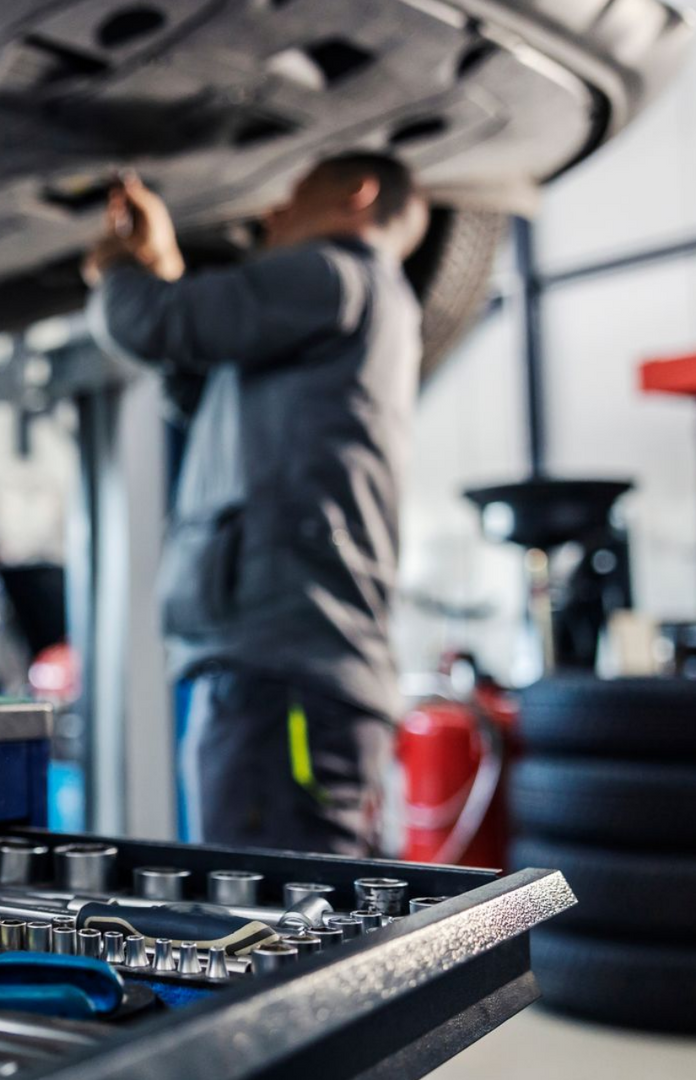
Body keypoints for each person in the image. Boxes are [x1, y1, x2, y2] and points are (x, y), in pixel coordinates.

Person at [83, 154, 430, 855]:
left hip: (286, 683)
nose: (271, 214)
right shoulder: (360, 301)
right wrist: (164, 272)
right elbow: (200, 379)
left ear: (356, 196)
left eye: (292, 193)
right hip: (296, 676)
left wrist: (120, 270)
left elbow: (157, 325)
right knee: (299, 927)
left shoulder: (332, 272)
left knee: (271, 935)